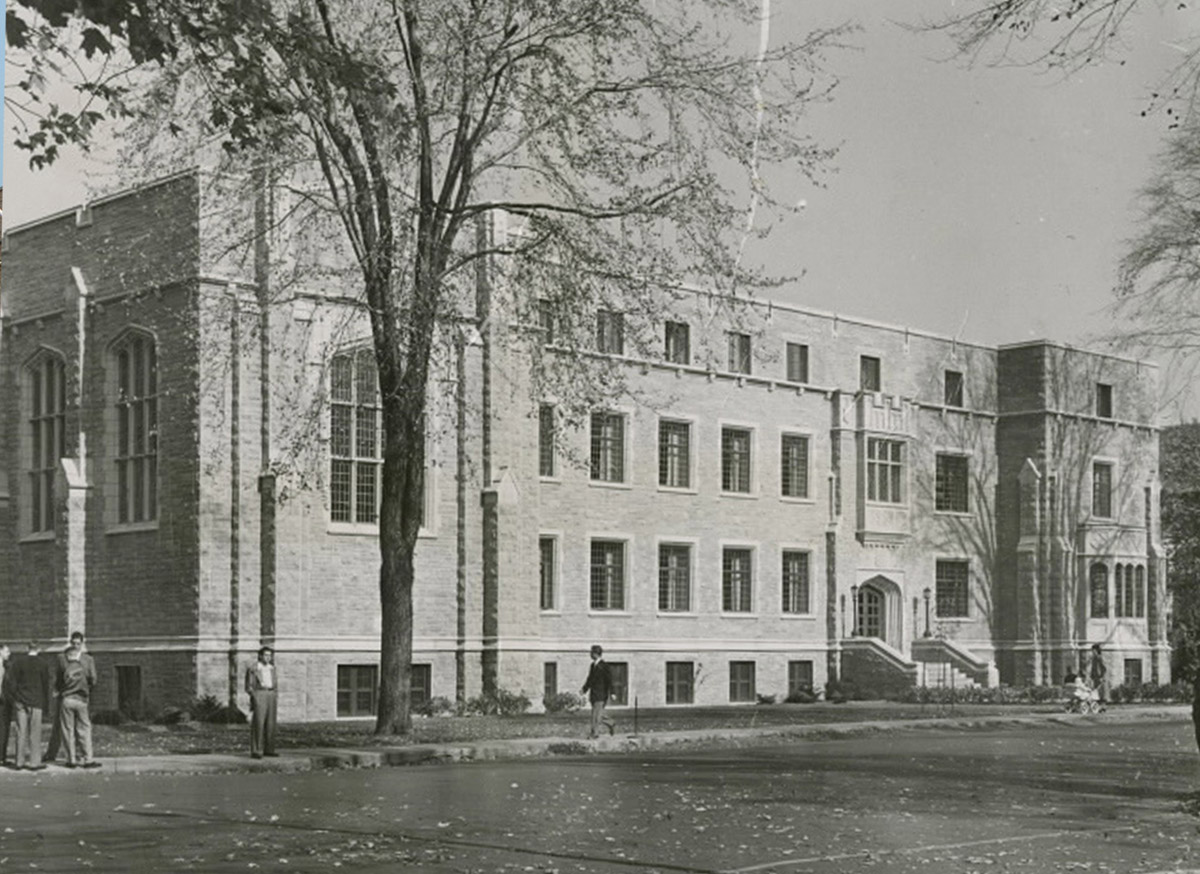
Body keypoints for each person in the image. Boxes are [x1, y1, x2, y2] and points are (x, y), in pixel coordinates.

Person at [55, 632, 99, 769]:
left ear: (80, 643)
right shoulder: (87, 660)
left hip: (68, 698)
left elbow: (58, 680)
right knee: (84, 729)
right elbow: (94, 680)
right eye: (74, 643)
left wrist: (62, 690)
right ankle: (86, 759)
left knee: (68, 729)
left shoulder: (63, 658)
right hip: (81, 698)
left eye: (77, 643)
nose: (75, 645)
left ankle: (72, 759)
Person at [9, 641, 52, 771]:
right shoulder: (43, 664)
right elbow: (46, 685)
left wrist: (15, 698)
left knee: (20, 731)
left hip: (21, 701)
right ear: (38, 649)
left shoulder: (18, 662)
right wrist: (46, 705)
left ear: (27, 648)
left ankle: (19, 762)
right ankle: (34, 762)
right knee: (35, 732)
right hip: (36, 701)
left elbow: (12, 682)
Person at [245, 646, 278, 758]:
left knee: (271, 723)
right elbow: (248, 686)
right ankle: (257, 750)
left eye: (270, 655)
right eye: (265, 655)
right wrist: (255, 696)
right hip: (260, 693)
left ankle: (269, 749)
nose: (268, 658)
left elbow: (275, 683)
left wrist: (274, 694)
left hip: (271, 694)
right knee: (259, 723)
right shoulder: (254, 669)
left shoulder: (272, 668)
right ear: (260, 656)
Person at [580, 644, 615, 738]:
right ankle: (610, 722)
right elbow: (590, 679)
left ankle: (595, 734)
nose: (590, 654)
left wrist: (612, 692)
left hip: (601, 693)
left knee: (596, 715)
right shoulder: (592, 665)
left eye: (591, 652)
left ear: (596, 654)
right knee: (597, 714)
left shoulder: (604, 666)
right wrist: (584, 689)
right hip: (593, 693)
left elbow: (609, 680)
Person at [0, 644, 11, 766]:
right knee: (3, 728)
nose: (9, 653)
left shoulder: (5, 665)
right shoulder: (1, 667)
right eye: (7, 651)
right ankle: (1, 756)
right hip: (2, 701)